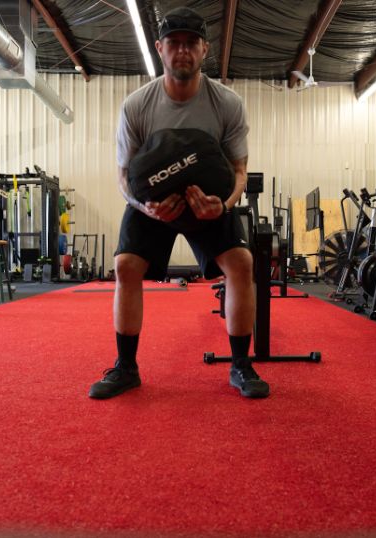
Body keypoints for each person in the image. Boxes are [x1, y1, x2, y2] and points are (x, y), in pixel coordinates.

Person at [89, 6, 268, 399]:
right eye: (174, 43)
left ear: (205, 50)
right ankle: (126, 367)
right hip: (154, 205)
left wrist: (224, 205)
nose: (182, 51)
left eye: (191, 43)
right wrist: (144, 208)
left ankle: (241, 366)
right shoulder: (137, 105)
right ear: (159, 48)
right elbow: (123, 176)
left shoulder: (227, 104)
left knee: (242, 263)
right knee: (125, 265)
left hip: (207, 204)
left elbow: (239, 170)